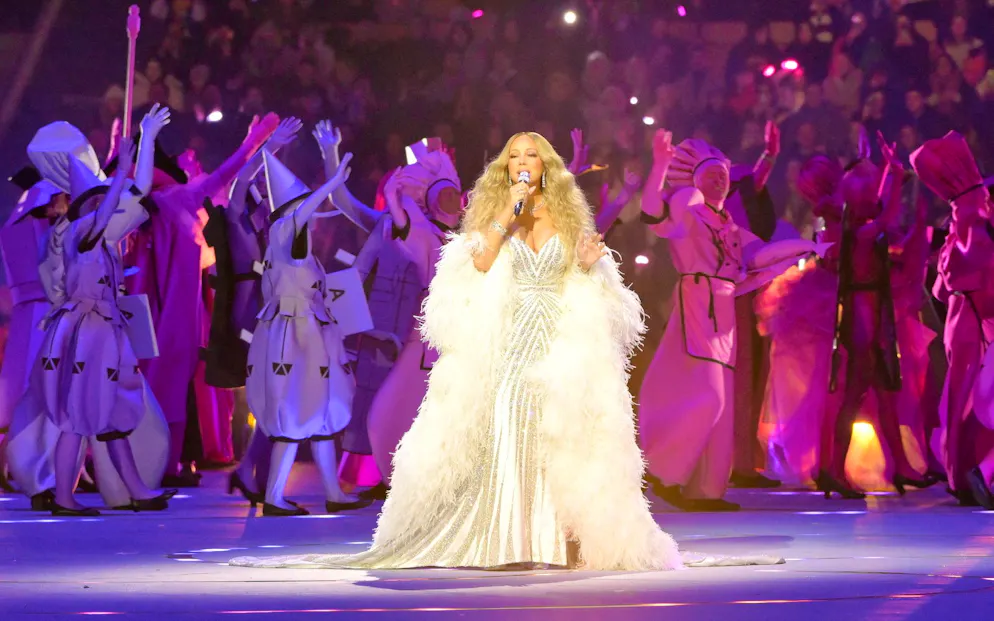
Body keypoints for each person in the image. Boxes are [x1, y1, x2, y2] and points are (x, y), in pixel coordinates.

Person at [231, 132, 783, 570]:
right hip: (510, 338)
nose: (523, 162)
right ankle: (506, 532)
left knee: (556, 433)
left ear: (545, 166)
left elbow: (578, 269)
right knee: (509, 426)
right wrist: (504, 215)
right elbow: (478, 261)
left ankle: (555, 533)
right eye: (515, 155)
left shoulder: (564, 218)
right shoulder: (498, 213)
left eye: (532, 156)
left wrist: (591, 260)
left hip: (556, 339)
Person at [638, 130, 826, 512]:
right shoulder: (688, 208)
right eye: (711, 174)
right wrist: (659, 163)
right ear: (694, 180)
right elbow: (653, 214)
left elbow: (761, 255)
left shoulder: (728, 225)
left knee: (722, 407)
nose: (720, 179)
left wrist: (810, 246)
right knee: (711, 397)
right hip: (698, 303)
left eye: (722, 173)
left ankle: (704, 491)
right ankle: (662, 469)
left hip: (723, 310)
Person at [25, 140, 174, 515]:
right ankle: (63, 496)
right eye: (95, 199)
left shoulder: (98, 240)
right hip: (87, 336)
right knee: (77, 417)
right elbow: (105, 214)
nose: (102, 204)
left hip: (101, 333)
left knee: (110, 417)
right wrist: (121, 170)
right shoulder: (80, 231)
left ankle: (138, 490)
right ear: (85, 204)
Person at [246, 147, 364, 516]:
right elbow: (296, 215)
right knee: (295, 412)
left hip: (310, 338)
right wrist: (329, 184)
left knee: (323, 410)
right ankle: (274, 497)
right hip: (293, 340)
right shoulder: (284, 231)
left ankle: (333, 492)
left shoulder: (297, 246)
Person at [911, 131, 994, 509]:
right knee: (974, 398)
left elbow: (943, 291)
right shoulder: (974, 231)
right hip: (975, 324)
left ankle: (960, 472)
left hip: (960, 319)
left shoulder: (957, 234)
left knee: (960, 395)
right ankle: (969, 472)